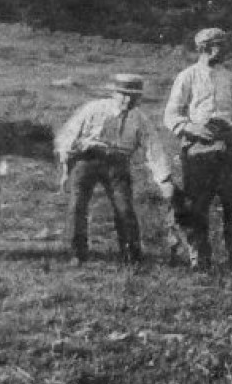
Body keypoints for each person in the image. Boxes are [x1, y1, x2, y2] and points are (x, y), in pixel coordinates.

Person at [55, 74, 176, 266]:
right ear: (114, 94)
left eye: (133, 97)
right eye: (123, 95)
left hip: (118, 164)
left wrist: (164, 180)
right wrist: (66, 167)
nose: (127, 100)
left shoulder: (140, 119)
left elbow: (154, 148)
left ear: (139, 99)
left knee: (124, 207)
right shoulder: (94, 109)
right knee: (77, 204)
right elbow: (67, 136)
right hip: (88, 159)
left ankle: (131, 255)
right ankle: (77, 253)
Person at [165, 27, 232, 271]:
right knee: (197, 206)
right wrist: (192, 129)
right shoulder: (188, 76)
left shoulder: (229, 78)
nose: (221, 51)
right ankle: (199, 258)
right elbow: (171, 115)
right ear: (204, 48)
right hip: (199, 149)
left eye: (223, 45)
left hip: (228, 148)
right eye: (217, 46)